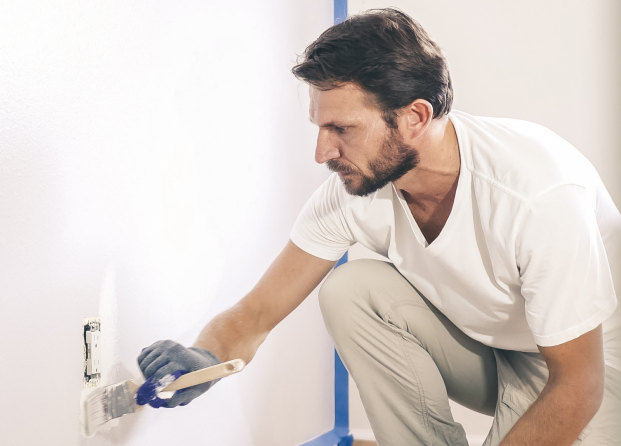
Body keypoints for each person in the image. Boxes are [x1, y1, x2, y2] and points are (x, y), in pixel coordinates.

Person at [136, 8, 621, 445]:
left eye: (341, 130)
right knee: (351, 289)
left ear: (414, 116)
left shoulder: (536, 194)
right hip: (500, 353)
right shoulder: (357, 190)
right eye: (320, 128)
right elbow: (256, 314)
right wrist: (206, 358)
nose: (322, 153)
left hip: (588, 370)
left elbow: (579, 386)